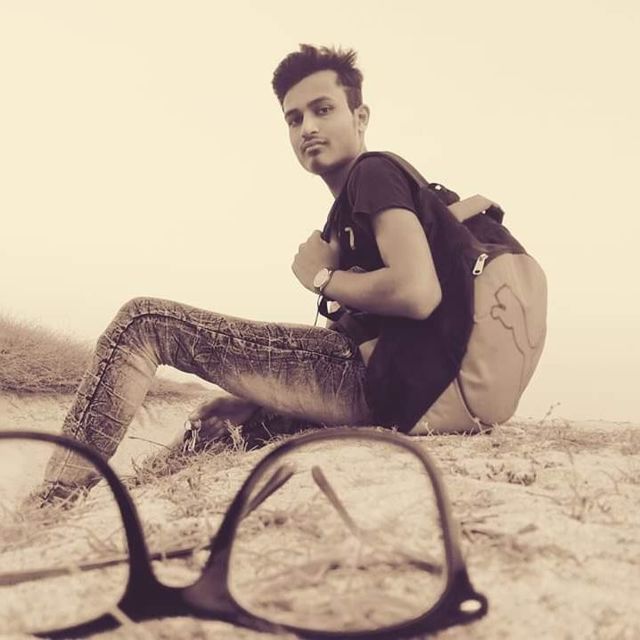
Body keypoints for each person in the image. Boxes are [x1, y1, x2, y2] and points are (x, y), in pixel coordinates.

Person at [44, 44, 482, 492]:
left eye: (323, 110)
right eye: (294, 119)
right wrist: (256, 398)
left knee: (143, 322)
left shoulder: (374, 172)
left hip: (388, 385)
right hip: (399, 392)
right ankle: (130, 498)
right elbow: (361, 331)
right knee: (214, 423)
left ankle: (56, 496)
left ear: (360, 117)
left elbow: (417, 292)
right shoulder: (346, 214)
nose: (308, 128)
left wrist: (322, 278)